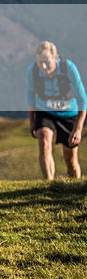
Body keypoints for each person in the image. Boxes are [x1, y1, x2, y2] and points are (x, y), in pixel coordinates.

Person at [26, 41, 86, 180]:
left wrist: (78, 129)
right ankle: (49, 184)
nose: (44, 67)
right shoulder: (33, 71)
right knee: (44, 143)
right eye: (40, 62)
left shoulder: (68, 68)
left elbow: (83, 100)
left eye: (47, 62)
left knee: (70, 159)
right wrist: (32, 122)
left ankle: (74, 189)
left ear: (56, 58)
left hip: (69, 114)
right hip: (45, 111)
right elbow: (30, 97)